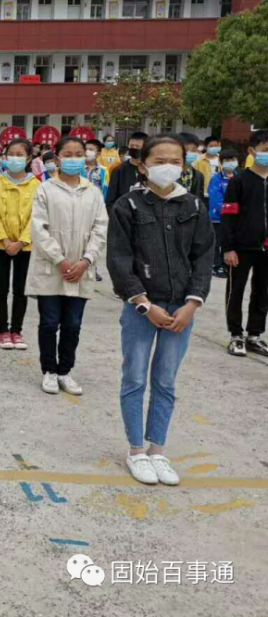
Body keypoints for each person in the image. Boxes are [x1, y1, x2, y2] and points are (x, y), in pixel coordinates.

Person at [108, 134, 214, 486]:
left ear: (184, 166)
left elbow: (202, 259)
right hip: (143, 308)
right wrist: (143, 304)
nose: (166, 167)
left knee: (165, 380)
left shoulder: (194, 207)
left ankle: (158, 450)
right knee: (135, 378)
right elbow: (120, 262)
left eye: (174, 161)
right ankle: (136, 450)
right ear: (142, 165)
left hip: (180, 309)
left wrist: (192, 304)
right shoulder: (129, 206)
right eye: (158, 161)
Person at [27, 137, 108, 395]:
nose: (74, 158)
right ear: (58, 159)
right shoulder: (45, 189)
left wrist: (86, 260)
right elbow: (39, 229)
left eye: (79, 154)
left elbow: (100, 228)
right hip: (52, 268)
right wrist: (60, 260)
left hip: (81, 269)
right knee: (50, 323)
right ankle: (49, 371)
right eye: (68, 154)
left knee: (73, 324)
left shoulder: (93, 192)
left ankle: (65, 371)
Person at [0, 139, 39, 350]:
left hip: (24, 246)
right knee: (1, 289)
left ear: (28, 158)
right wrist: (5, 239)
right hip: (0, 245)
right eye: (11, 154)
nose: (15, 158)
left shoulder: (36, 185)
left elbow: (37, 216)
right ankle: (3, 331)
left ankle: (17, 330)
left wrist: (23, 240)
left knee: (20, 290)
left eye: (20, 154)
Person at [222, 131, 268, 357]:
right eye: (265, 150)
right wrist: (228, 247)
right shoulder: (239, 181)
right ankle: (236, 335)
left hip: (266, 248)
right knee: (236, 290)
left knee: (263, 292)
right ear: (252, 151)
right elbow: (228, 216)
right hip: (241, 247)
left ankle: (255, 335)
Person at [207, 148, 238, 279]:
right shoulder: (216, 179)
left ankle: (227, 264)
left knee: (232, 241)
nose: (230, 162)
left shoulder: (240, 177)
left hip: (237, 218)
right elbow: (216, 199)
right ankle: (216, 265)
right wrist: (229, 212)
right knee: (217, 242)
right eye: (227, 160)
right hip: (218, 218)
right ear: (221, 162)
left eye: (233, 159)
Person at [105, 132, 148, 210]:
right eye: (131, 146)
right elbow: (110, 200)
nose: (134, 148)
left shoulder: (151, 170)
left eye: (137, 146)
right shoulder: (119, 170)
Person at [177, 133, 207, 198]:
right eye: (185, 150)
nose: (189, 153)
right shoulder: (168, 173)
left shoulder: (199, 176)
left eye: (194, 150)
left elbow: (200, 199)